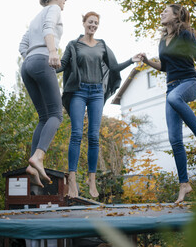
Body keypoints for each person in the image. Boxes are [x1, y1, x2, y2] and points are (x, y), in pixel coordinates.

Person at [57, 11, 140, 198]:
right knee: (77, 133)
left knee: (93, 136)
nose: (93, 25)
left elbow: (114, 68)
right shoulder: (74, 45)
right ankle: (72, 179)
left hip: (96, 93)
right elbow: (62, 65)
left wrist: (131, 60)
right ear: (84, 23)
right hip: (79, 91)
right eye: (90, 22)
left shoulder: (102, 45)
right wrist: (48, 63)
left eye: (96, 23)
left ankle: (91, 179)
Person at [140, 4, 196, 203]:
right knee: (174, 139)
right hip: (171, 87)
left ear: (176, 15)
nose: (162, 12)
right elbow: (164, 67)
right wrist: (147, 61)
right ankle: (184, 185)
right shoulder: (163, 41)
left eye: (166, 10)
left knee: (174, 99)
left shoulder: (186, 35)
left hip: (188, 83)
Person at [19, 0, 67, 188]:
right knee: (56, 115)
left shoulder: (34, 19)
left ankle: (32, 165)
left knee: (44, 117)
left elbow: (22, 46)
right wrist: (52, 52)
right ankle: (38, 156)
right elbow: (49, 29)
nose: (66, 0)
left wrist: (31, 59)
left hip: (27, 65)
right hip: (42, 60)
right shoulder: (54, 9)